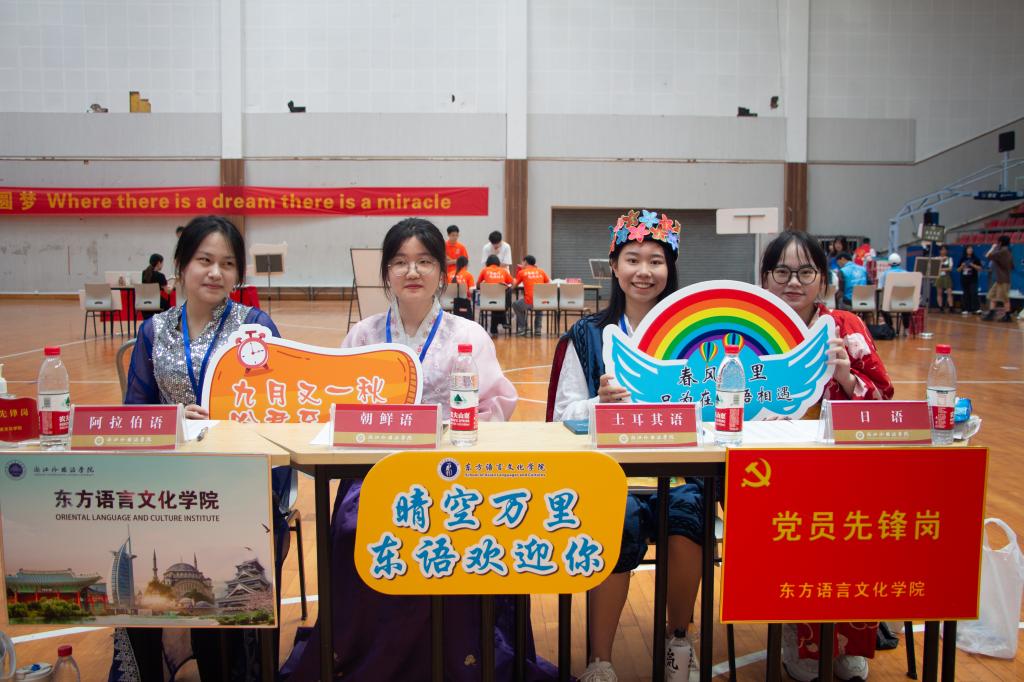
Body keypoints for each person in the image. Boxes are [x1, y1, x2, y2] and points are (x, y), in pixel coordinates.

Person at [281, 218, 555, 681]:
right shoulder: (364, 336)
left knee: (461, 530)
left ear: (442, 273)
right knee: (352, 531)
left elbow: (496, 405)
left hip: (452, 472)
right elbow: (337, 410)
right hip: (374, 474)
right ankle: (366, 652)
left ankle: (462, 653)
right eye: (400, 262)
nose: (412, 272)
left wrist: (451, 434)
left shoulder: (469, 335)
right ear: (386, 272)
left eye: (424, 261)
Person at [117, 216, 292, 682]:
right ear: (182, 265)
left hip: (238, 481)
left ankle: (233, 667)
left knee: (236, 561)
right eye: (205, 260)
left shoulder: (254, 327)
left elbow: (280, 412)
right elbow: (134, 415)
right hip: (168, 486)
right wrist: (174, 422)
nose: (216, 272)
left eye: (228, 264)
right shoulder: (154, 331)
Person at [551, 210, 702, 682]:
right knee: (615, 520)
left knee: (689, 514)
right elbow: (561, 416)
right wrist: (599, 402)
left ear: (670, 269)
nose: (644, 271)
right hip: (609, 471)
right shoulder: (585, 335)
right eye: (633, 259)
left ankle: (679, 640)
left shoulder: (697, 337)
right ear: (613, 267)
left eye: (656, 261)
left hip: (678, 469)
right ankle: (600, 660)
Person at [760, 231, 894, 681]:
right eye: (782, 271)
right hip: (773, 472)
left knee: (857, 527)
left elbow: (884, 403)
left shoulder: (846, 327)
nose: (793, 282)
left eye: (805, 272)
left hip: (843, 469)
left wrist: (847, 377)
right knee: (789, 529)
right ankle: (799, 635)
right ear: (765, 277)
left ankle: (849, 640)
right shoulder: (747, 331)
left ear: (822, 279)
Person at [512, 255, 551, 336]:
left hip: (529, 302)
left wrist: (519, 270)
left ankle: (523, 328)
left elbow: (514, 286)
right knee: (539, 302)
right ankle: (538, 329)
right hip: (541, 301)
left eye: (522, 262)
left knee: (515, 305)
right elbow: (548, 284)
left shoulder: (522, 272)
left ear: (525, 262)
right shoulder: (541, 271)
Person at [478, 254, 514, 335]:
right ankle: (503, 320)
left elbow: (478, 285)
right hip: (501, 301)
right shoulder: (503, 271)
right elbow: (512, 283)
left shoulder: (484, 270)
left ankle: (494, 328)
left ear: (488, 262)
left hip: (487, 301)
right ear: (498, 262)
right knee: (505, 294)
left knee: (494, 301)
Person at [982, 235, 1014, 322]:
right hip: (1000, 279)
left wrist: (992, 247)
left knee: (1005, 298)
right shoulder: (1007, 251)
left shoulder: (1003, 251)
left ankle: (1007, 316)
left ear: (1000, 242)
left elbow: (988, 255)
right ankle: (991, 314)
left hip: (1003, 280)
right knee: (992, 296)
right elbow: (1012, 266)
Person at [958, 245, 982, 314]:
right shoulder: (962, 258)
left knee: (974, 292)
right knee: (966, 293)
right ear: (966, 250)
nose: (970, 250)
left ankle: (976, 309)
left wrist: (972, 265)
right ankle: (965, 309)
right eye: (968, 249)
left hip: (973, 278)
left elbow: (980, 268)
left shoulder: (976, 259)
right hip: (964, 279)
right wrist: (962, 266)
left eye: (971, 249)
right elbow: (958, 270)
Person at [449, 255, 475, 319]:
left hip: (448, 303)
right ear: (466, 265)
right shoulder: (468, 275)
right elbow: (471, 291)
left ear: (456, 264)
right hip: (463, 304)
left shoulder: (449, 274)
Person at [934, 245, 954, 312]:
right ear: (940, 251)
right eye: (942, 250)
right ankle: (940, 307)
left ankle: (951, 307)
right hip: (939, 277)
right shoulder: (936, 258)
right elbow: (935, 268)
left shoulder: (949, 259)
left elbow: (950, 269)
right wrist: (942, 261)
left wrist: (941, 269)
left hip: (947, 277)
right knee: (939, 293)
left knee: (949, 292)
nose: (944, 251)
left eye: (945, 249)